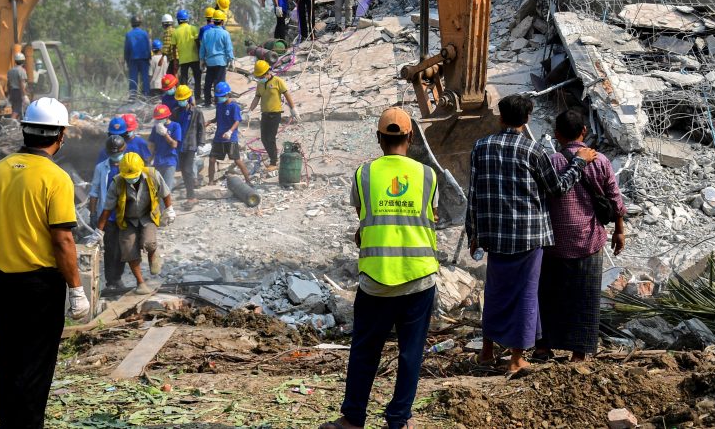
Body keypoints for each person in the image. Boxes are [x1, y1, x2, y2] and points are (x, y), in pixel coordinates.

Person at [320, 108, 439, 429]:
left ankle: (353, 419)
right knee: (410, 353)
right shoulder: (428, 175)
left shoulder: (364, 174)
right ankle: (399, 420)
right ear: (411, 138)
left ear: (378, 138)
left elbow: (364, 217)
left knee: (364, 351)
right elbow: (430, 215)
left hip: (376, 279)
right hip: (419, 277)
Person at [0, 97, 90, 428]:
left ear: (25, 131)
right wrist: (77, 289)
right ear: (60, 136)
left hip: (5, 284)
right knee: (37, 364)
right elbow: (62, 239)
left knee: (9, 359)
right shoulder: (56, 178)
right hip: (40, 287)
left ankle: (9, 423)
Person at [466, 94, 597, 374]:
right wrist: (580, 163)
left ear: (500, 118)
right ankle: (516, 359)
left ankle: (487, 352)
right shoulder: (533, 150)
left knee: (496, 291)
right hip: (529, 236)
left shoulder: (480, 147)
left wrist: (473, 233)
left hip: (494, 235)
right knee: (526, 293)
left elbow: (473, 193)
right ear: (526, 120)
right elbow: (558, 188)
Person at [537, 109, 627, 362]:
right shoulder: (600, 161)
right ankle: (578, 353)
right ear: (584, 131)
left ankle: (544, 346)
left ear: (556, 134)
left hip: (553, 242)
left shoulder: (552, 162)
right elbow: (614, 198)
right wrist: (619, 230)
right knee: (584, 297)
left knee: (549, 295)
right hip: (589, 239)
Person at [97, 152, 174, 296]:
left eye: (134, 177)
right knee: (129, 250)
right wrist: (99, 231)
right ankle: (141, 283)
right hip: (127, 220)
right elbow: (107, 209)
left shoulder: (152, 175)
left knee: (149, 243)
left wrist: (170, 209)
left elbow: (166, 193)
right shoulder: (117, 182)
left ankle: (152, 254)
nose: (131, 180)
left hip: (148, 216)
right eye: (128, 178)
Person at [87, 134, 129, 291]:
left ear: (124, 149)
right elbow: (94, 191)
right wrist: (93, 214)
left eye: (117, 152)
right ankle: (112, 281)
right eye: (113, 153)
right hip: (108, 216)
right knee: (111, 249)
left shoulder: (130, 164)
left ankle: (118, 276)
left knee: (125, 248)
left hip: (126, 214)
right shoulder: (101, 168)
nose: (116, 156)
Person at [248, 59, 296, 171]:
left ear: (267, 72)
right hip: (264, 114)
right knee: (264, 139)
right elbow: (257, 97)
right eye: (259, 76)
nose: (260, 78)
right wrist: (250, 110)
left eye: (261, 76)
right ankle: (273, 156)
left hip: (275, 114)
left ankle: (273, 162)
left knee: (270, 138)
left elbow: (287, 94)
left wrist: (293, 109)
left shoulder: (277, 81)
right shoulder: (260, 84)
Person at [209, 81, 250, 183]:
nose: (220, 98)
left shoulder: (234, 106)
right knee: (212, 160)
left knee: (237, 160)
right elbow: (217, 118)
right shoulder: (219, 105)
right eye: (219, 96)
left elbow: (237, 120)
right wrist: (210, 121)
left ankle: (248, 180)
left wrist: (230, 132)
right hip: (219, 137)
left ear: (228, 94)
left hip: (230, 138)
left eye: (222, 96)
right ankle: (210, 181)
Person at [172, 85, 205, 207]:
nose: (181, 101)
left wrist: (201, 143)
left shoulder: (197, 112)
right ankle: (190, 194)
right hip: (179, 145)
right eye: (179, 100)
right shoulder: (175, 112)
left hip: (191, 144)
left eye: (183, 99)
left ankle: (191, 197)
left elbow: (201, 128)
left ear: (188, 98)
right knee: (184, 171)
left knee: (187, 169)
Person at [199, 10, 234, 107]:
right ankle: (219, 102)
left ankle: (207, 102)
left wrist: (201, 60)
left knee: (208, 82)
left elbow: (202, 48)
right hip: (221, 62)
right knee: (219, 83)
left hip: (210, 62)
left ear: (213, 21)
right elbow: (229, 48)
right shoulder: (225, 33)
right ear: (222, 22)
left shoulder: (206, 33)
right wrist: (231, 60)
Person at [149, 103, 182, 191]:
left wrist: (165, 134)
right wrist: (148, 161)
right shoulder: (155, 128)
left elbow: (174, 144)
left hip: (169, 162)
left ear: (167, 117)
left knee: (166, 190)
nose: (158, 121)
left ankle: (166, 205)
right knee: (157, 190)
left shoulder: (175, 126)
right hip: (158, 162)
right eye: (157, 119)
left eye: (160, 119)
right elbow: (152, 145)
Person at [173, 9, 201, 94]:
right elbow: (198, 43)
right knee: (197, 77)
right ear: (187, 19)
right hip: (194, 58)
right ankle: (197, 95)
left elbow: (173, 47)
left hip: (183, 59)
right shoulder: (193, 28)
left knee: (184, 79)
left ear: (178, 20)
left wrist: (175, 60)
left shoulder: (175, 32)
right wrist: (200, 55)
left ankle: (184, 96)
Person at [124, 15, 152, 96]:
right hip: (144, 59)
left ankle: (133, 96)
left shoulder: (129, 34)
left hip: (133, 59)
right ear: (140, 23)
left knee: (133, 78)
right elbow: (148, 46)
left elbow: (126, 48)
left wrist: (126, 60)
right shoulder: (144, 34)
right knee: (145, 78)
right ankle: (146, 95)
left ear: (132, 24)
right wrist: (149, 57)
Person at [7, 52, 30, 119]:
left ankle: (16, 126)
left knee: (17, 109)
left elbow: (8, 83)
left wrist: (9, 93)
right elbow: (21, 83)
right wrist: (24, 95)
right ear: (23, 61)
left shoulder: (10, 71)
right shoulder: (22, 71)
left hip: (12, 91)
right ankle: (10, 123)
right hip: (18, 92)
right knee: (16, 110)